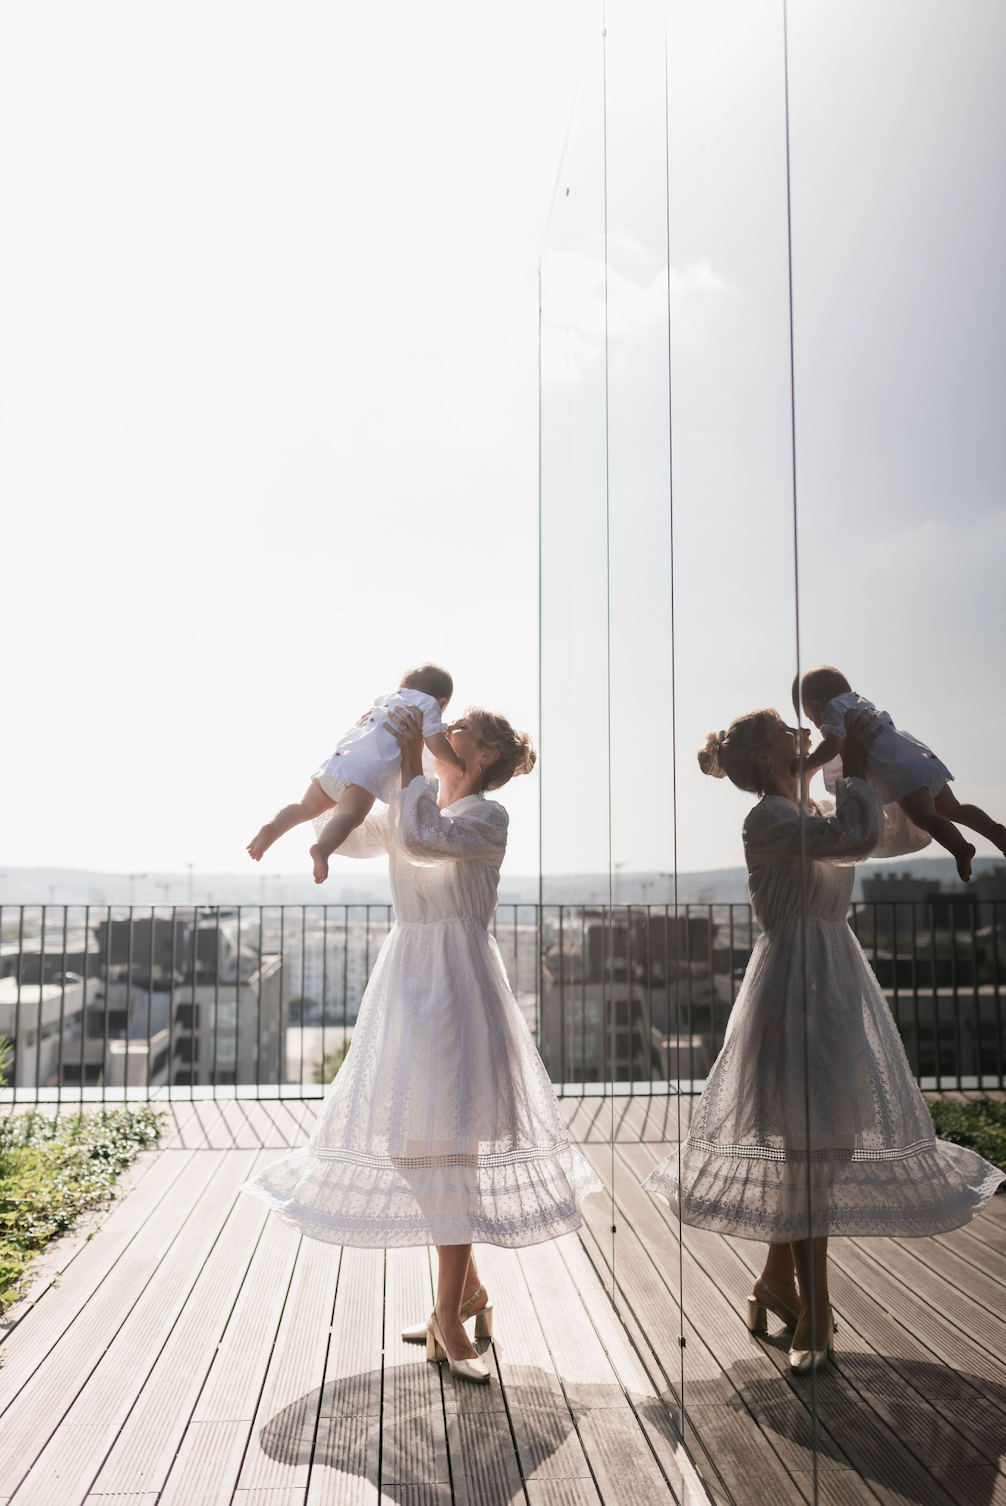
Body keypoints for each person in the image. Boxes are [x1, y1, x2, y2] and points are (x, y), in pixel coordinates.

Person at [241, 702, 602, 1383]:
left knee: (450, 1150)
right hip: (408, 980)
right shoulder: (422, 797)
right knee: (415, 1148)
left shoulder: (484, 816)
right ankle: (467, 1294)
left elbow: (426, 837)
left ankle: (450, 1320)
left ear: (485, 755)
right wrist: (350, 763)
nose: (442, 732)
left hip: (457, 983)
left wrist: (408, 760)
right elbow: (350, 835)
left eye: (457, 729)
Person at [642, 706, 1004, 1374]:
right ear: (763, 756)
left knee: (824, 1144)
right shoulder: (769, 818)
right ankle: (815, 1309)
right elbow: (856, 834)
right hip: (793, 984)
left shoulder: (805, 806)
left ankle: (775, 1283)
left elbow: (887, 833)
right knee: (808, 1147)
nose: (800, 734)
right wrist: (857, 770)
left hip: (833, 977)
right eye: (788, 731)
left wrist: (880, 766)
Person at [246, 662, 465, 884]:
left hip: (336, 764)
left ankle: (273, 828)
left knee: (305, 807)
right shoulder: (429, 704)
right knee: (349, 816)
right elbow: (435, 741)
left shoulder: (387, 698)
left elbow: (364, 723)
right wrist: (457, 763)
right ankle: (322, 849)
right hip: (362, 775)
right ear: (442, 701)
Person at [795, 665, 1006, 883]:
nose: (818, 725)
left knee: (926, 817)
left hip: (903, 776)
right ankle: (993, 830)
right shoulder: (858, 701)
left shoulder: (832, 711)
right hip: (920, 762)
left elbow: (832, 744)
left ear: (816, 706)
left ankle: (960, 848)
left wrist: (809, 761)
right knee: (954, 808)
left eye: (812, 719)